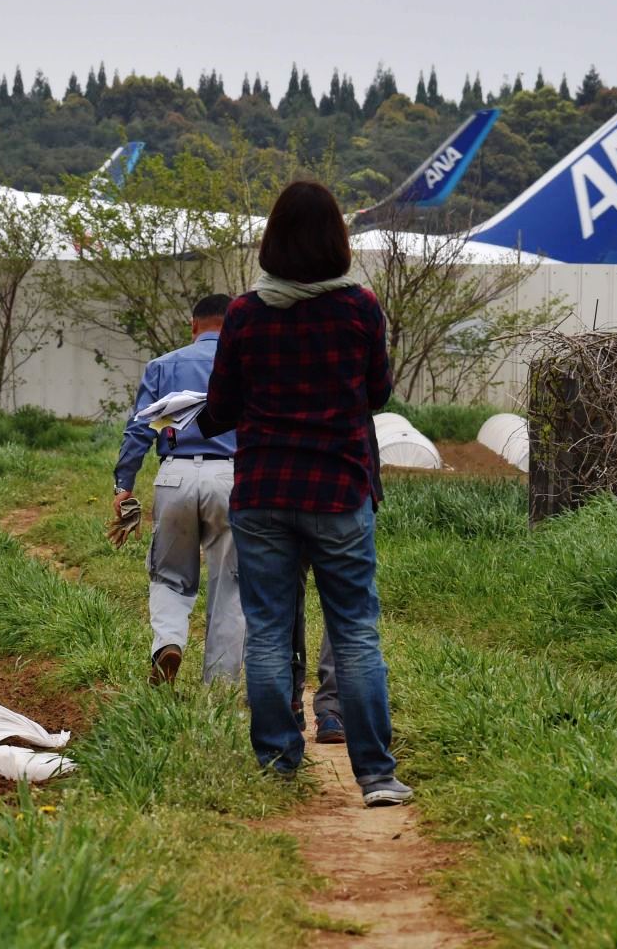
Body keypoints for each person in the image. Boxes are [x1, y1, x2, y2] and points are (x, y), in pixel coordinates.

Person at [204, 180, 410, 807]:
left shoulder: (244, 313)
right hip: (339, 490)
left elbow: (221, 408)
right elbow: (377, 394)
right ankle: (375, 776)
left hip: (263, 489)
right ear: (337, 242)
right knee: (354, 631)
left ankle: (277, 763)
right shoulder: (360, 308)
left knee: (267, 628)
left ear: (272, 241)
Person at [113, 294, 247, 685]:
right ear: (234, 326)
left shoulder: (163, 366)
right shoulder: (244, 367)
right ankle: (219, 687)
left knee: (169, 574)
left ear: (193, 326)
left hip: (175, 475)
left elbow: (140, 429)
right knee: (231, 585)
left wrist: (124, 485)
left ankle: (169, 643)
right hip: (230, 477)